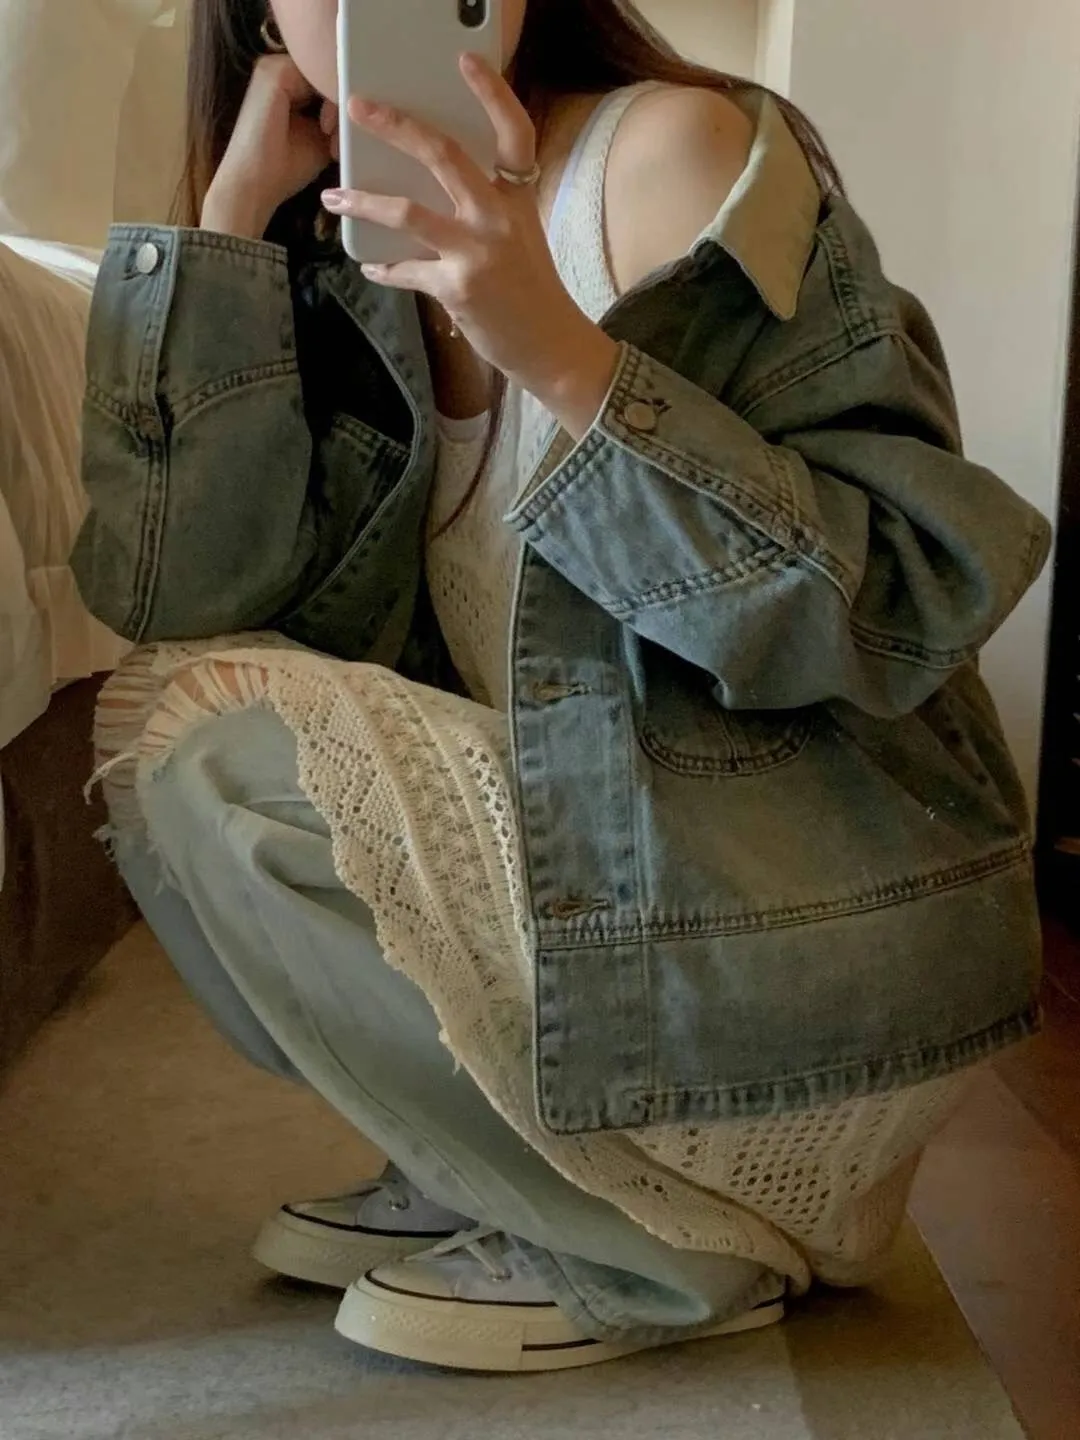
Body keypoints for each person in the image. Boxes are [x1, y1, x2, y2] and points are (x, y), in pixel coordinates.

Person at [74, 0, 1050, 1374]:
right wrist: (232, 223)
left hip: (787, 939)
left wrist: (556, 350)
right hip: (619, 913)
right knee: (168, 713)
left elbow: (881, 608)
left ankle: (667, 1243)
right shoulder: (343, 244)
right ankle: (512, 1165)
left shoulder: (675, 153)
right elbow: (185, 596)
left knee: (211, 747)